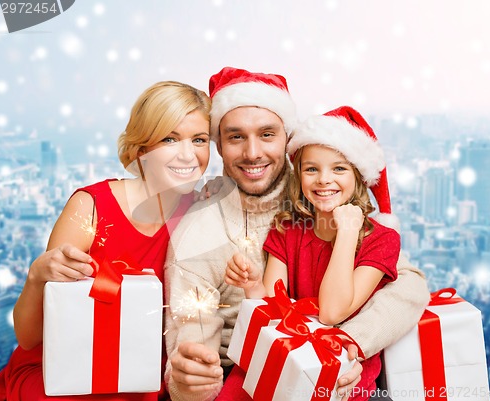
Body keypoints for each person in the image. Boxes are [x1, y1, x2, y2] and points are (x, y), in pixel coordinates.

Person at [164, 67, 430, 401]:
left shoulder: (319, 198)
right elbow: (194, 348)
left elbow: (409, 284)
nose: (252, 153)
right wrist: (191, 380)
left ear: (288, 138)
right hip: (256, 372)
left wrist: (345, 345)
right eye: (235, 137)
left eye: (267, 134)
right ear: (219, 144)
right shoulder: (200, 234)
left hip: (341, 368)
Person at [0, 81, 212, 401]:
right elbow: (29, 339)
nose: (188, 154)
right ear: (142, 148)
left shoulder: (202, 213)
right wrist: (36, 275)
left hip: (139, 381)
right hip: (62, 379)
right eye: (170, 138)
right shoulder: (91, 207)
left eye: (199, 140)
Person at [225, 106, 401, 401]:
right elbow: (271, 311)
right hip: (290, 358)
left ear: (358, 176)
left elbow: (332, 312)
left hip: (344, 372)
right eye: (311, 169)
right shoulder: (287, 230)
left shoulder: (382, 240)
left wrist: (346, 233)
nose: (323, 179)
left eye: (339, 168)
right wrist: (252, 285)